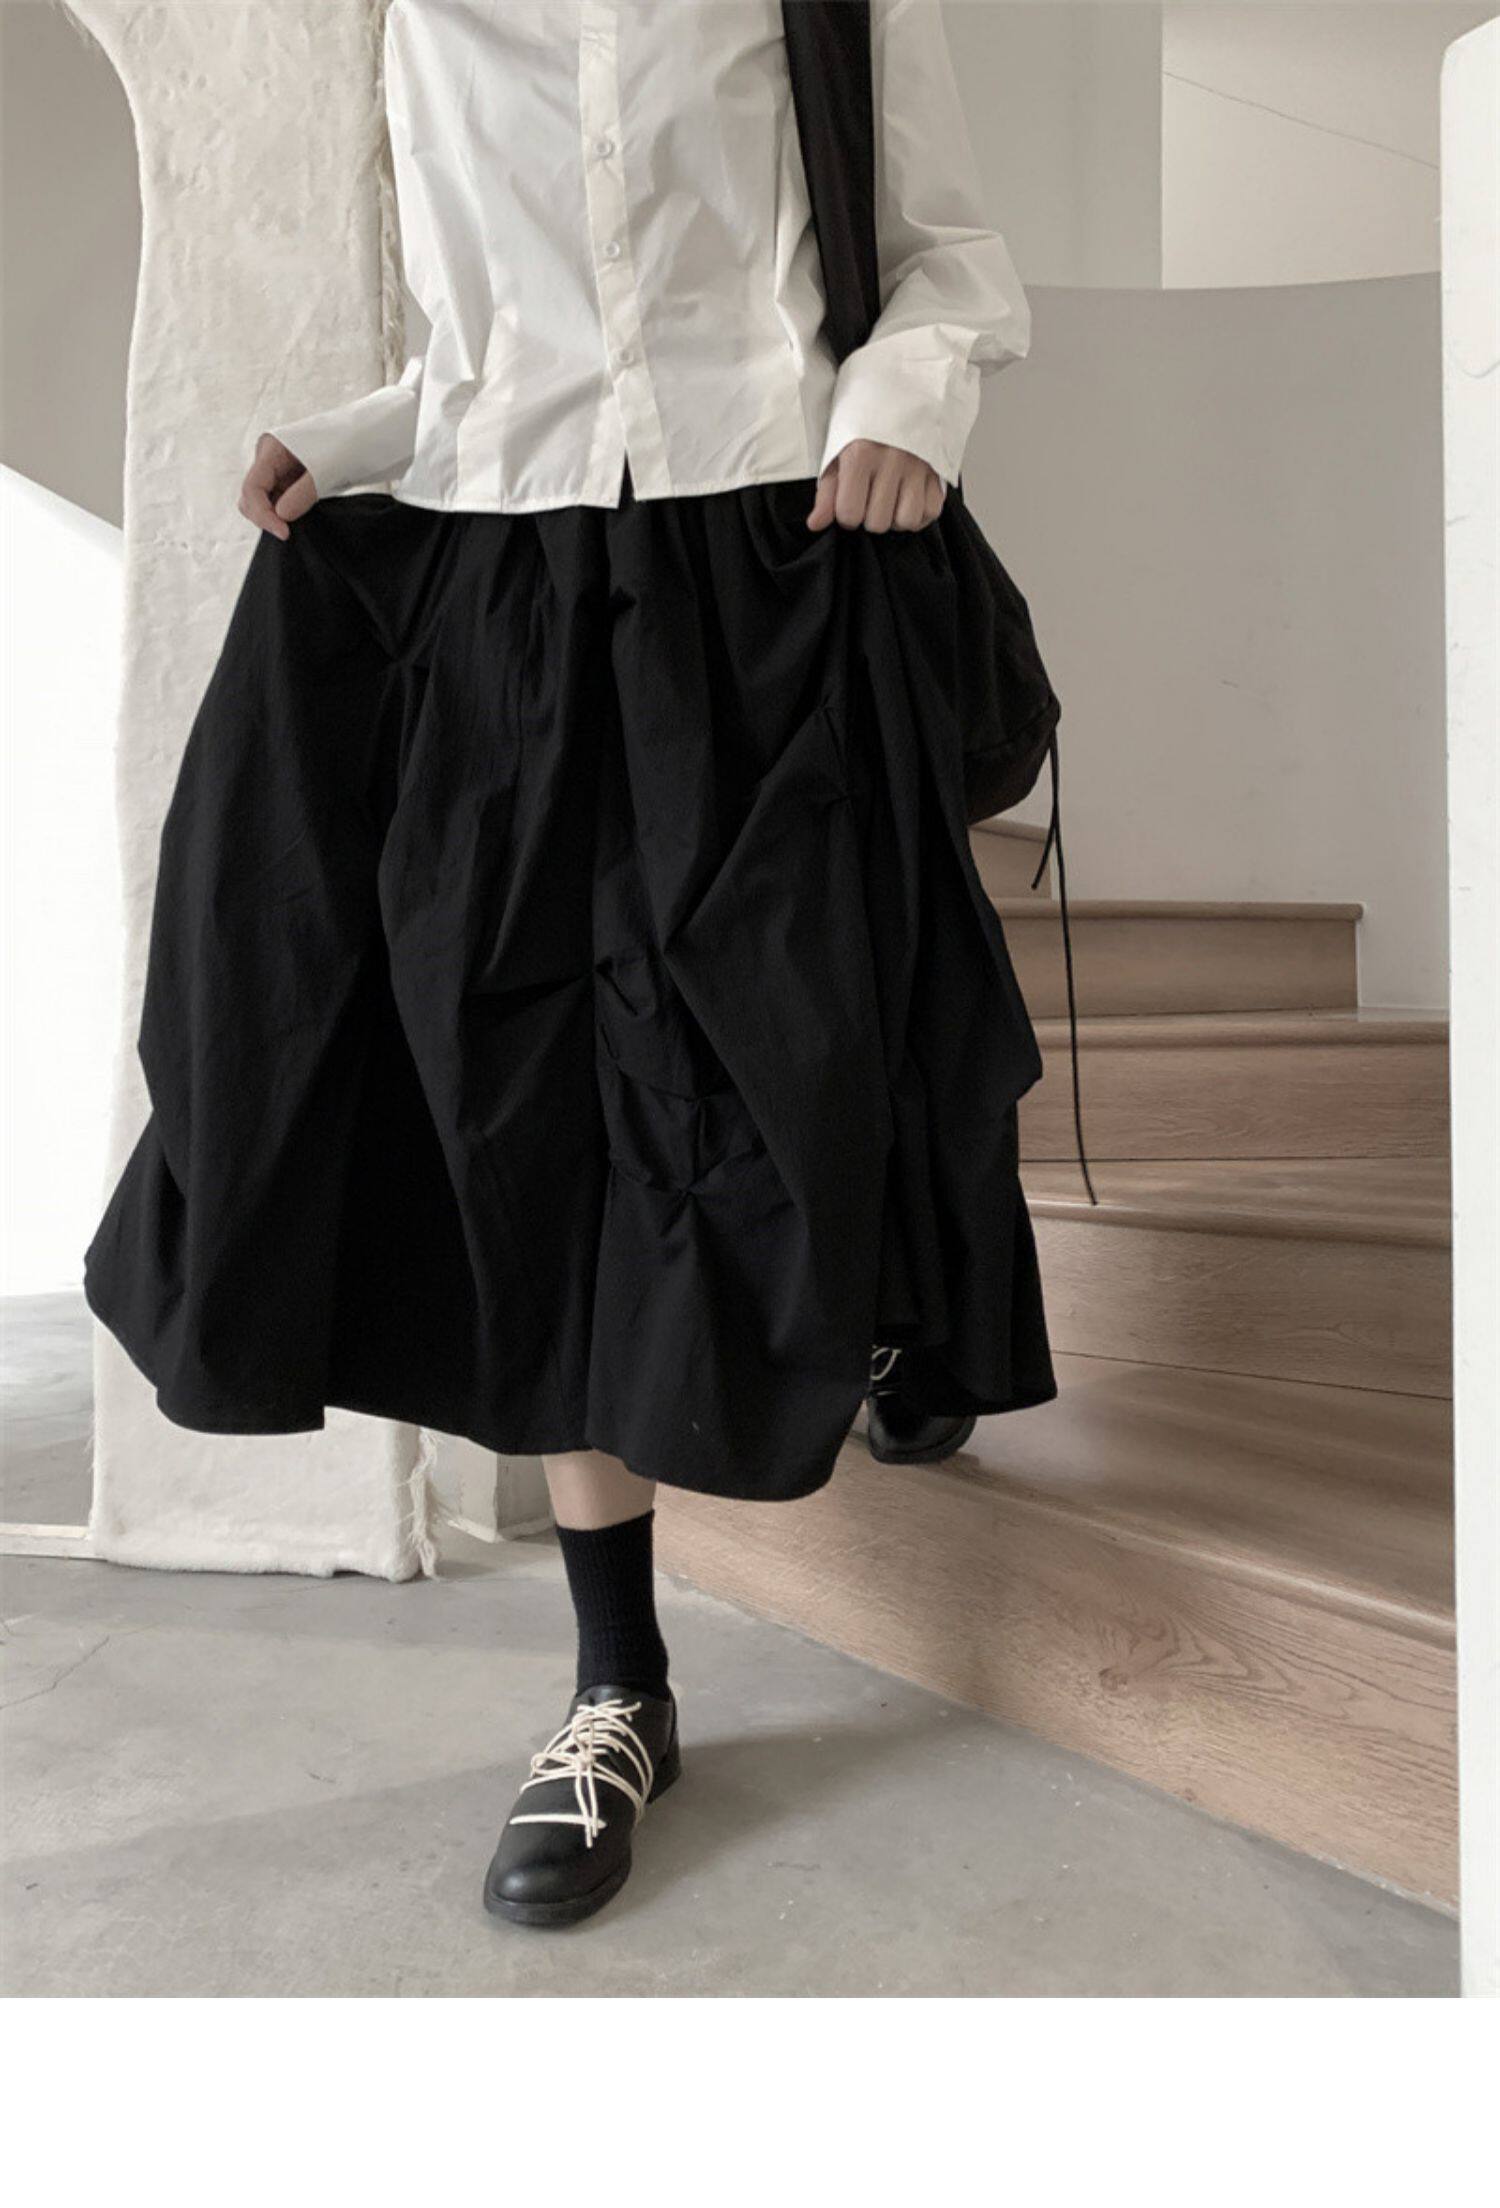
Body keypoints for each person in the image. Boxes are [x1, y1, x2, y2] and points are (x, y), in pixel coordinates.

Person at [84, 0, 1056, 1929]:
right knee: (527, 1130)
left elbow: (944, 259)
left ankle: (890, 1329)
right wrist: (353, 439)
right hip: (504, 595)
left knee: (819, 1054)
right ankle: (621, 1685)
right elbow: (494, 350)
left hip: (768, 568)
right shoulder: (422, 18)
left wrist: (903, 408)